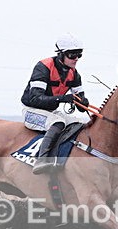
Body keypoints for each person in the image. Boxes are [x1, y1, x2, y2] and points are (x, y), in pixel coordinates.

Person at [21, 33, 90, 175]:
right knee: (58, 122)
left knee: (78, 123)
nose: (76, 58)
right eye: (72, 55)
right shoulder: (43, 67)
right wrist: (63, 99)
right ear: (60, 54)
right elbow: (35, 99)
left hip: (50, 111)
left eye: (79, 55)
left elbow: (81, 106)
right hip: (31, 110)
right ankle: (42, 160)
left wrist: (84, 102)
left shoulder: (74, 74)